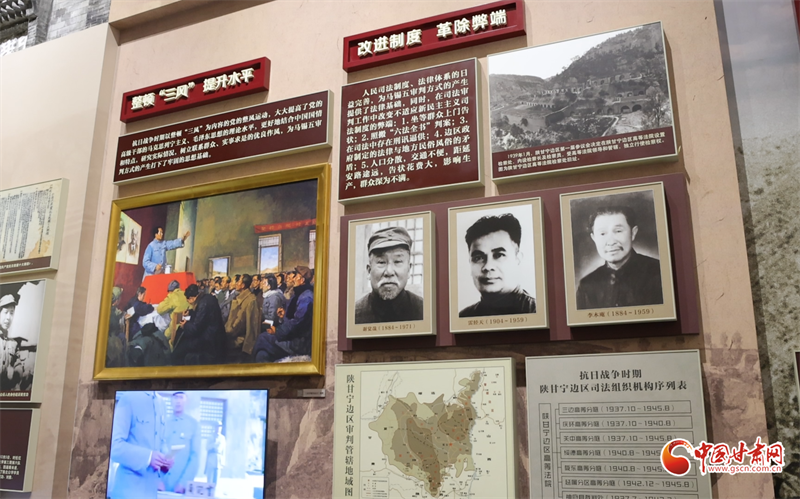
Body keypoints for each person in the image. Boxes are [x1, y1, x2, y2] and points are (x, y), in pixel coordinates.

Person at [576, 205, 663, 309]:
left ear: (633, 233)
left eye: (618, 231)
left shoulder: (659, 273)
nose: (611, 241)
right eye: (602, 233)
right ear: (594, 238)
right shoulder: (586, 285)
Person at [459, 213, 536, 317]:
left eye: (499, 255)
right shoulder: (464, 316)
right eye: (478, 258)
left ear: (517, 258)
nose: (487, 267)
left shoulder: (536, 312)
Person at [109, 391, 172, 499]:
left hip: (151, 492)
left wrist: (166, 459)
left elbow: (162, 442)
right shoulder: (129, 398)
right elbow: (114, 446)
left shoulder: (161, 403)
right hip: (127, 492)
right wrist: (148, 457)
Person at [354, 226, 423, 323]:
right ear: (369, 271)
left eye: (397, 261)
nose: (389, 272)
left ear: (408, 270)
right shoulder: (353, 316)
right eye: (381, 262)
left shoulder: (424, 311)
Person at [253, 266, 313, 362]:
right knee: (262, 354)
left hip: (298, 343)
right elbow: (293, 318)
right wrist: (284, 315)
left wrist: (277, 331)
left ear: (302, 280)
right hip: (292, 337)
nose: (293, 279)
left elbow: (297, 323)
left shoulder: (306, 297)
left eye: (296, 277)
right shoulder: (298, 294)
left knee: (262, 338)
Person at [172, 284, 226, 365]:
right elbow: (203, 316)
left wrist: (185, 325)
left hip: (209, 341)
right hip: (216, 336)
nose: (189, 304)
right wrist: (190, 313)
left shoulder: (203, 304)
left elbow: (195, 328)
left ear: (192, 298)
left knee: (181, 347)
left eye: (188, 301)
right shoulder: (208, 297)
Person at [161, 392, 200, 494]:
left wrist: (184, 483)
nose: (178, 401)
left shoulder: (193, 424)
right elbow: (154, 450)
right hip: (161, 484)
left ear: (186, 400)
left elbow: (195, 457)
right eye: (175, 397)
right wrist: (157, 480)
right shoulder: (162, 422)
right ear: (171, 400)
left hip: (180, 485)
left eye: (181, 397)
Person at [225, 274, 261, 362]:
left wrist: (227, 331)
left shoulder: (250, 300)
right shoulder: (239, 298)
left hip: (240, 341)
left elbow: (250, 326)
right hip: (234, 337)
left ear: (243, 285)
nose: (236, 283)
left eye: (239, 281)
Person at [0, 294, 24, 391]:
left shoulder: (14, 343)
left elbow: (18, 364)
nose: (8, 317)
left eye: (11, 313)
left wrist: (16, 372)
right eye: (5, 312)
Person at [204, 422, 226, 486]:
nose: (218, 428)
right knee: (210, 479)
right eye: (217, 426)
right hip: (211, 458)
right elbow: (207, 447)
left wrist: (223, 462)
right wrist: (214, 444)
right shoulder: (210, 437)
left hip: (218, 460)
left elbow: (224, 450)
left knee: (216, 480)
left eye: (219, 427)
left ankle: (214, 490)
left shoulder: (222, 438)